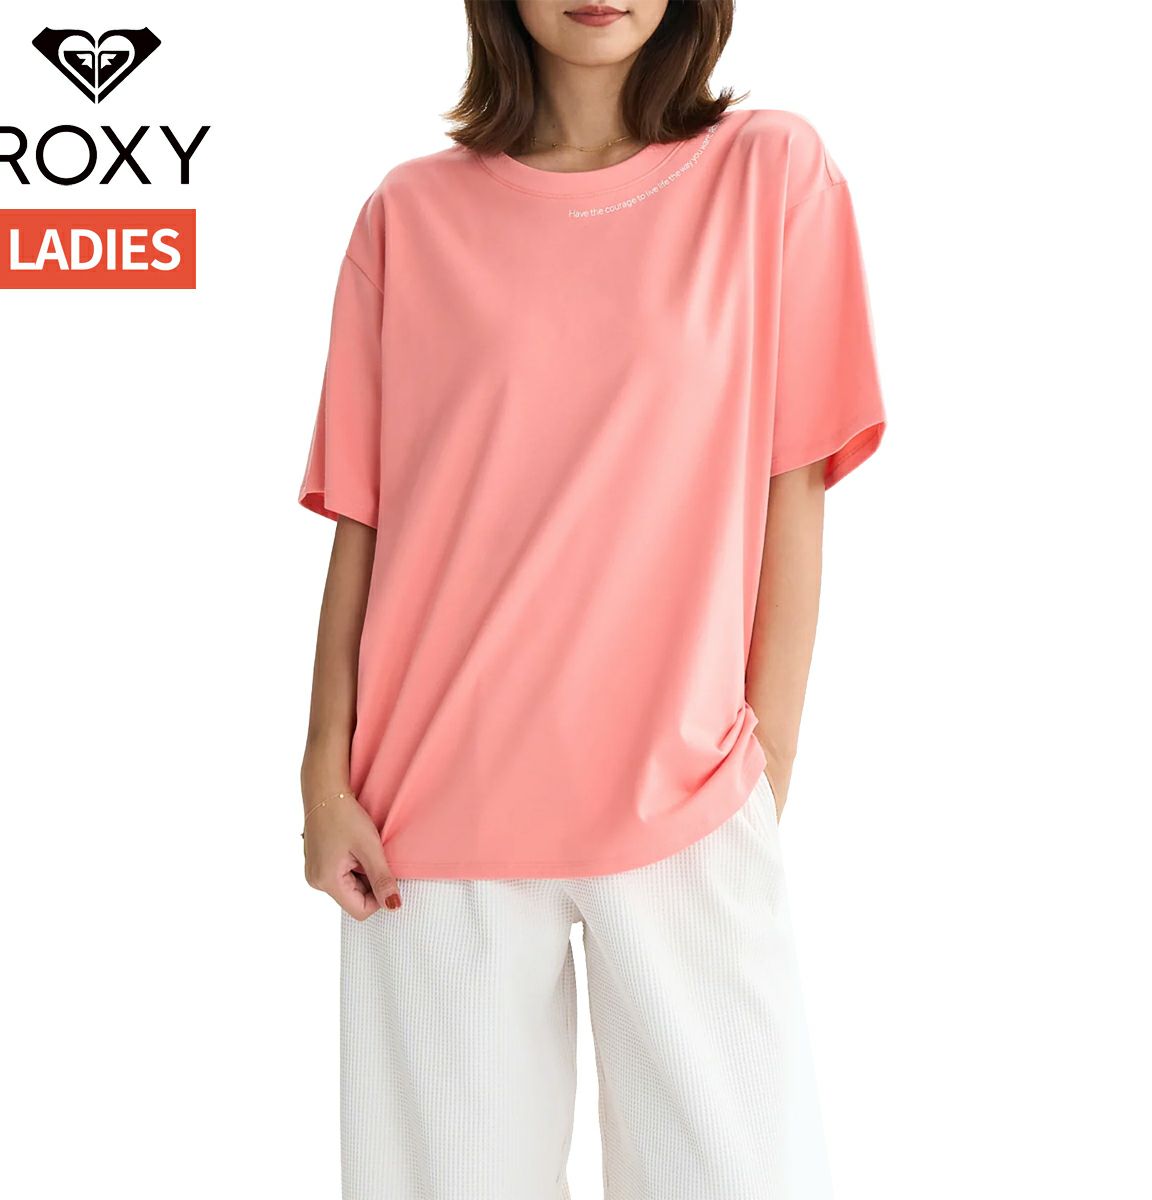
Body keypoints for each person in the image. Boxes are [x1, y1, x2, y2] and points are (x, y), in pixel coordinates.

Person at [297, 1, 885, 1196]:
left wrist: (762, 766)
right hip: (432, 809)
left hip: (687, 799)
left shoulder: (771, 174)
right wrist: (322, 773)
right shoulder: (407, 217)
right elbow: (369, 522)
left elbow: (796, 488)